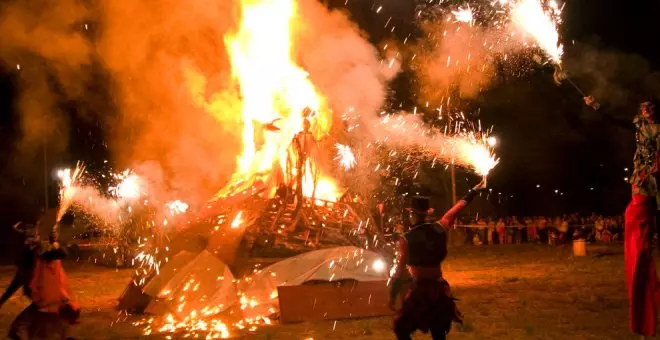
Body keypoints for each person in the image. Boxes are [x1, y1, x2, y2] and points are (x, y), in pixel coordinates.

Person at [586, 96, 660, 337]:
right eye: (643, 107)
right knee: (638, 213)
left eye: (650, 108)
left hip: (656, 176)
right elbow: (614, 119)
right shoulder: (638, 125)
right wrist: (597, 104)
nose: (646, 111)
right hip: (643, 177)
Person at [389, 179, 488, 340]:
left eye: (410, 213)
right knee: (438, 332)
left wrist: (393, 295)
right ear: (426, 213)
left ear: (413, 214)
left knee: (401, 328)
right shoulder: (441, 226)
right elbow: (458, 207)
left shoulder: (406, 239)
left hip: (420, 292)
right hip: (439, 289)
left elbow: (399, 270)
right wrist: (474, 191)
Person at [0, 220, 79, 339]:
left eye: (32, 237)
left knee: (19, 329)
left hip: (52, 306)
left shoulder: (42, 256)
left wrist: (55, 242)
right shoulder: (26, 263)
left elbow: (62, 253)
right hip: (43, 306)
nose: (29, 241)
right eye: (26, 238)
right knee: (30, 332)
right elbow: (15, 284)